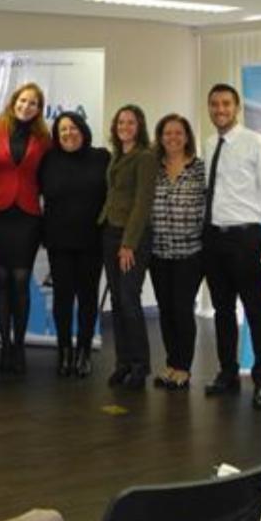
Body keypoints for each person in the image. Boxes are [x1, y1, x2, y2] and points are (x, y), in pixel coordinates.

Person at [203, 83, 261, 411]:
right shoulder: (209, 144)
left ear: (236, 108)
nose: (220, 109)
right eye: (214, 104)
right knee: (222, 311)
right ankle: (228, 374)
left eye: (226, 104)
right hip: (214, 238)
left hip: (247, 238)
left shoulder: (258, 144)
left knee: (256, 311)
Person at [0, 82, 50, 375]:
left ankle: (20, 345)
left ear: (39, 109)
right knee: (0, 277)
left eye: (33, 103)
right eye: (23, 100)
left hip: (27, 215)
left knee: (20, 279)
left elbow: (49, 175)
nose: (27, 106)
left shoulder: (44, 139)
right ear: (14, 102)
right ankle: (6, 344)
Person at [38, 111, 109, 379]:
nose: (68, 133)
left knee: (88, 298)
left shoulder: (101, 157)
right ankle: (65, 351)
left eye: (73, 128)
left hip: (92, 240)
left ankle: (84, 352)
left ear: (83, 129)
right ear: (57, 135)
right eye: (63, 130)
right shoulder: (48, 159)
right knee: (63, 298)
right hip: (59, 241)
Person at [98, 104, 157, 390]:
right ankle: (122, 363)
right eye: (121, 122)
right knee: (117, 300)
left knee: (129, 299)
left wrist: (128, 244)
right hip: (110, 231)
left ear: (140, 126)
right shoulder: (118, 155)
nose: (125, 126)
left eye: (131, 122)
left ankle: (140, 365)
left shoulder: (145, 157)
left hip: (132, 238)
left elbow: (142, 203)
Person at [147, 114, 206, 392]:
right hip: (158, 252)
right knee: (166, 310)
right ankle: (171, 364)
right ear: (160, 138)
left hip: (190, 253)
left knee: (182, 309)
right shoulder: (153, 168)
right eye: (167, 133)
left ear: (186, 137)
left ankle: (183, 368)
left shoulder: (200, 168)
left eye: (178, 133)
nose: (172, 137)